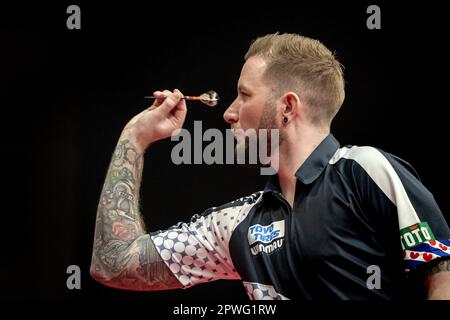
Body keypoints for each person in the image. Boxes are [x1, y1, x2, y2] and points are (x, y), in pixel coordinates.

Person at [90, 33, 450, 300]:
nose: (229, 112)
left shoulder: (365, 170)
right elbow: (114, 263)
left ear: (287, 107)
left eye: (244, 94)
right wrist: (133, 139)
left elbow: (442, 273)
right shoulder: (235, 224)